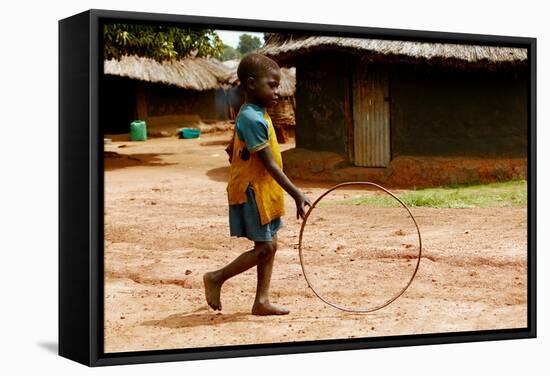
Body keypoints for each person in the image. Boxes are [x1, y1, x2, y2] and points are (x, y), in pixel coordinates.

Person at [203, 52, 312, 315]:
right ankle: (216, 277)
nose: (278, 92)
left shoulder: (254, 113)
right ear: (252, 84)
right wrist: (297, 193)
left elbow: (232, 149)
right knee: (265, 248)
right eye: (272, 85)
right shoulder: (252, 118)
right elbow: (270, 165)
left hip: (264, 190)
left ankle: (261, 301)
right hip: (254, 192)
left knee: (270, 245)